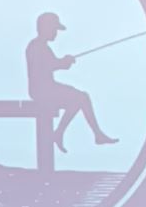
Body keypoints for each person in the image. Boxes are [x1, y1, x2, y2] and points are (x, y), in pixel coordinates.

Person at [25, 12, 117, 150]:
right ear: (45, 28)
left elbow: (52, 64)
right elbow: (48, 66)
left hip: (47, 88)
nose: (56, 33)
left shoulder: (41, 46)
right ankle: (91, 134)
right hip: (41, 91)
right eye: (54, 29)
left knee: (79, 99)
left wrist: (63, 62)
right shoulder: (36, 46)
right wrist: (63, 62)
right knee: (82, 98)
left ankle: (61, 133)